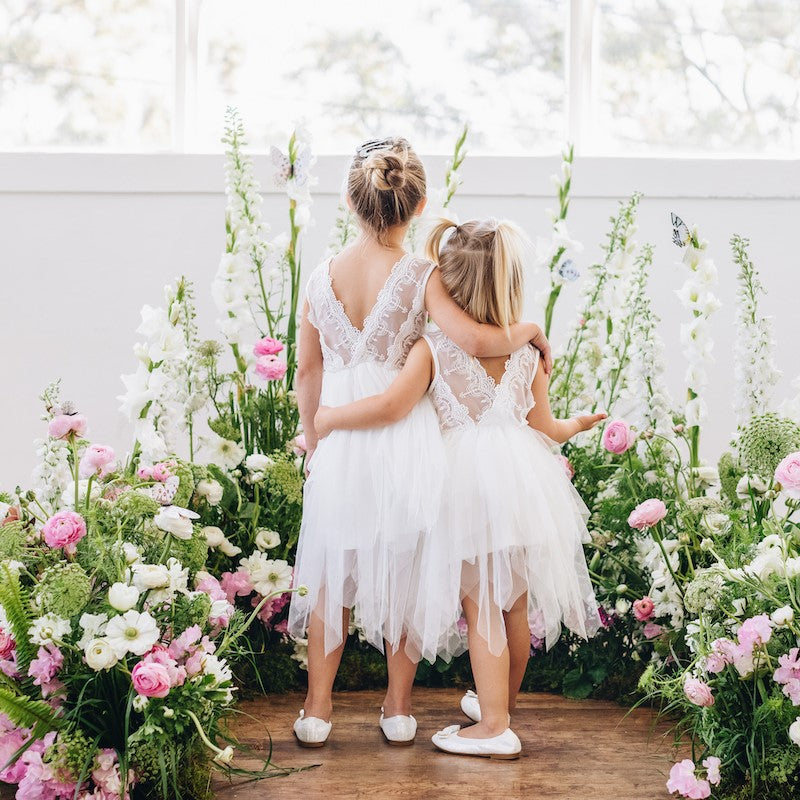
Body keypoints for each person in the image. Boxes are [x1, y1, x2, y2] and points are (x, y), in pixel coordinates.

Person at [288, 141, 553, 748]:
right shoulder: (419, 274)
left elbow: (306, 371)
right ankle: (397, 707)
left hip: (339, 432)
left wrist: (313, 433)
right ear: (420, 204)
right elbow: (474, 339)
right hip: (403, 436)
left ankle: (317, 710)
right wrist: (531, 329)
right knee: (403, 565)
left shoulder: (319, 274)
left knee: (333, 570)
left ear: (351, 203)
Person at [314, 218, 603, 758]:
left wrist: (329, 418)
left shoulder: (433, 346)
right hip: (521, 481)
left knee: (483, 606)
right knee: (513, 605)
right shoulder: (527, 352)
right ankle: (501, 704)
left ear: (449, 281)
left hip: (466, 489)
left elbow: (389, 405)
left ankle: (494, 726)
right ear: (513, 284)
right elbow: (543, 426)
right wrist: (576, 426)